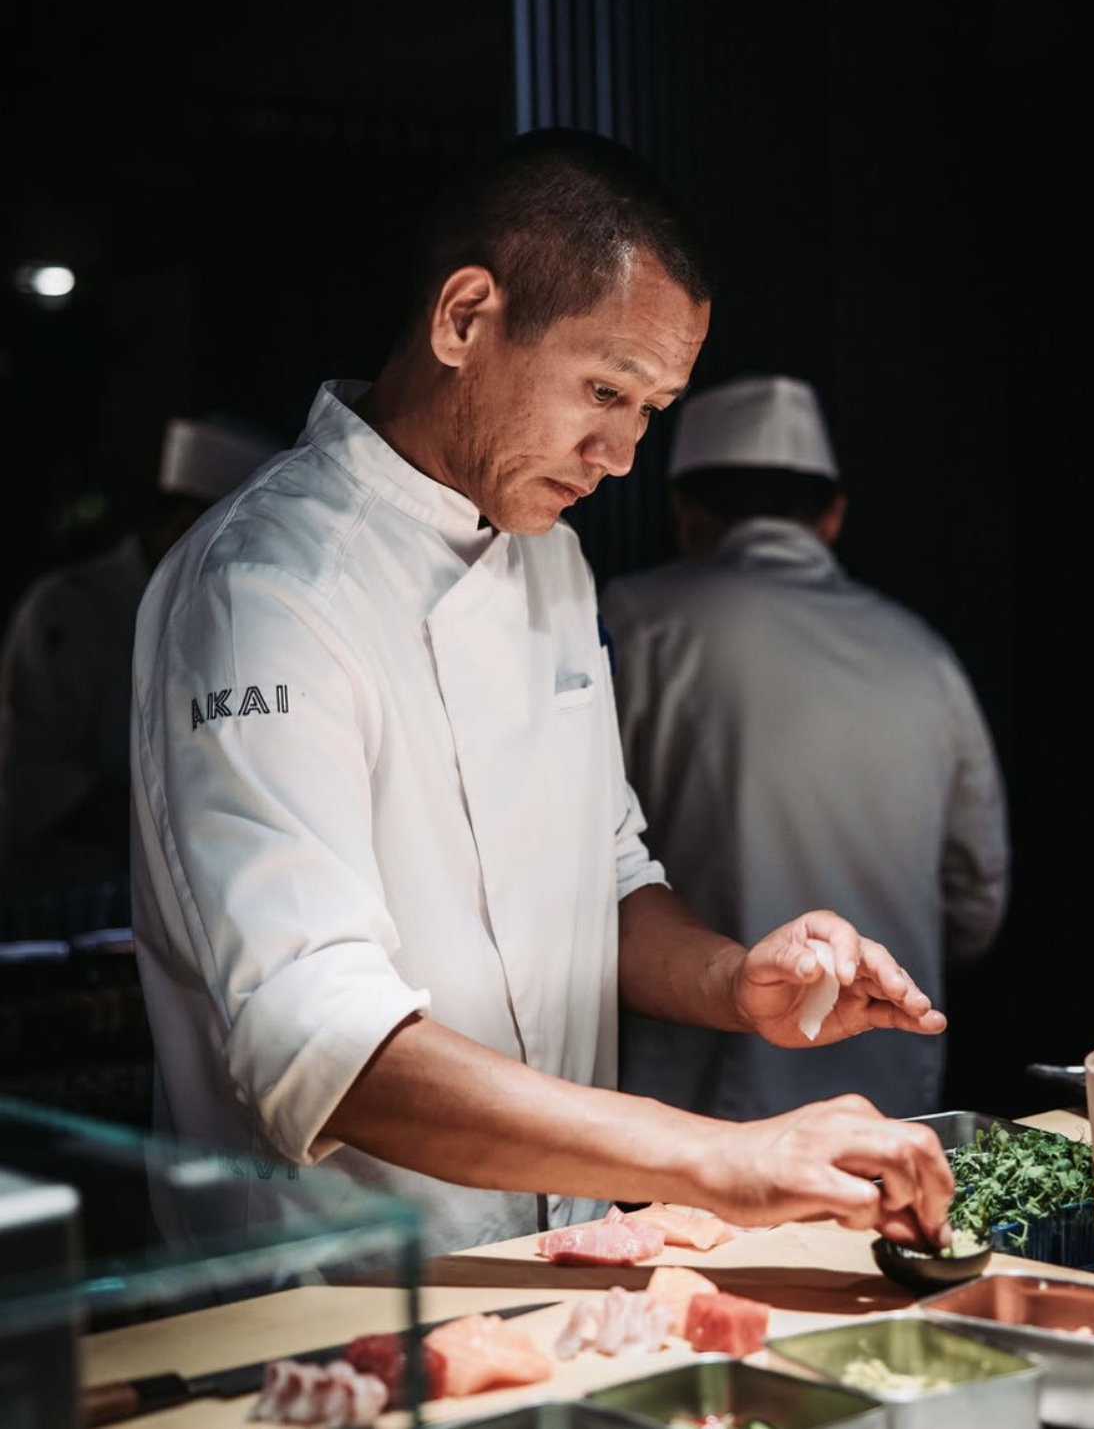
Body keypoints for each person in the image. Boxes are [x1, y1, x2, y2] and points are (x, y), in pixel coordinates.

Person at [129, 128, 957, 1263]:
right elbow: (313, 1036)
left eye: (651, 409)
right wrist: (714, 1155)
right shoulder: (260, 588)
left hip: (558, 1260)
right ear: (464, 318)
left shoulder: (551, 560)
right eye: (605, 388)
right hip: (333, 1289)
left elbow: (602, 878)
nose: (619, 453)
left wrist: (735, 980)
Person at [599, 373, 1010, 1123]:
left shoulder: (630, 622)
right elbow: (978, 896)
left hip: (692, 1101)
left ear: (685, 510)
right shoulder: (922, 653)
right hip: (888, 1081)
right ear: (832, 517)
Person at [0, 415, 281, 930]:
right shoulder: (68, 611)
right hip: (59, 912)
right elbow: (33, 782)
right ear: (182, 526)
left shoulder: (233, 618)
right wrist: (185, 822)